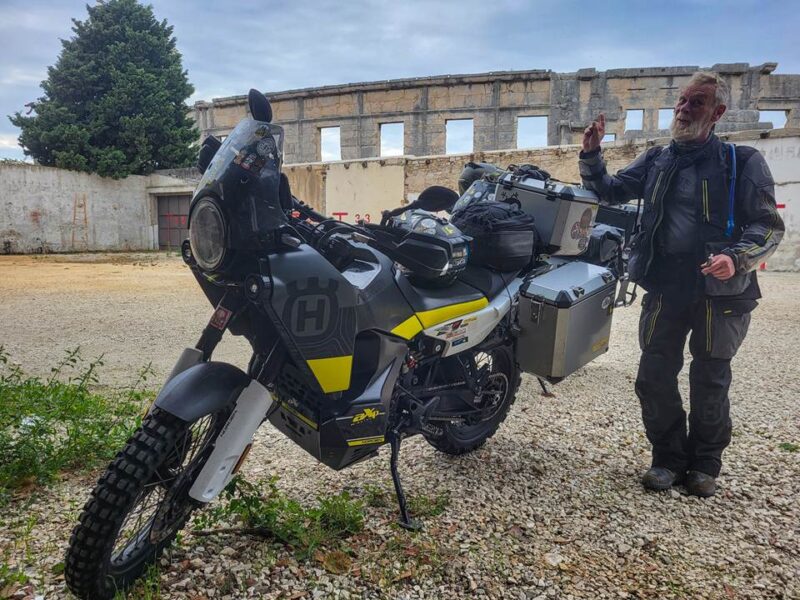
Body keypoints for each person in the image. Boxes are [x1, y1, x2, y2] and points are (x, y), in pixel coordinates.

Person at [578, 72, 784, 497]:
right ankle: (668, 459)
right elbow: (610, 191)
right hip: (665, 286)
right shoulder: (657, 159)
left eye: (697, 103)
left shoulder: (742, 161)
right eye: (682, 101)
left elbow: (767, 225)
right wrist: (592, 154)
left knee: (710, 378)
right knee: (653, 375)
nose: (684, 109)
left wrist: (736, 257)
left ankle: (705, 464)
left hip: (720, 293)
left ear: (717, 113)